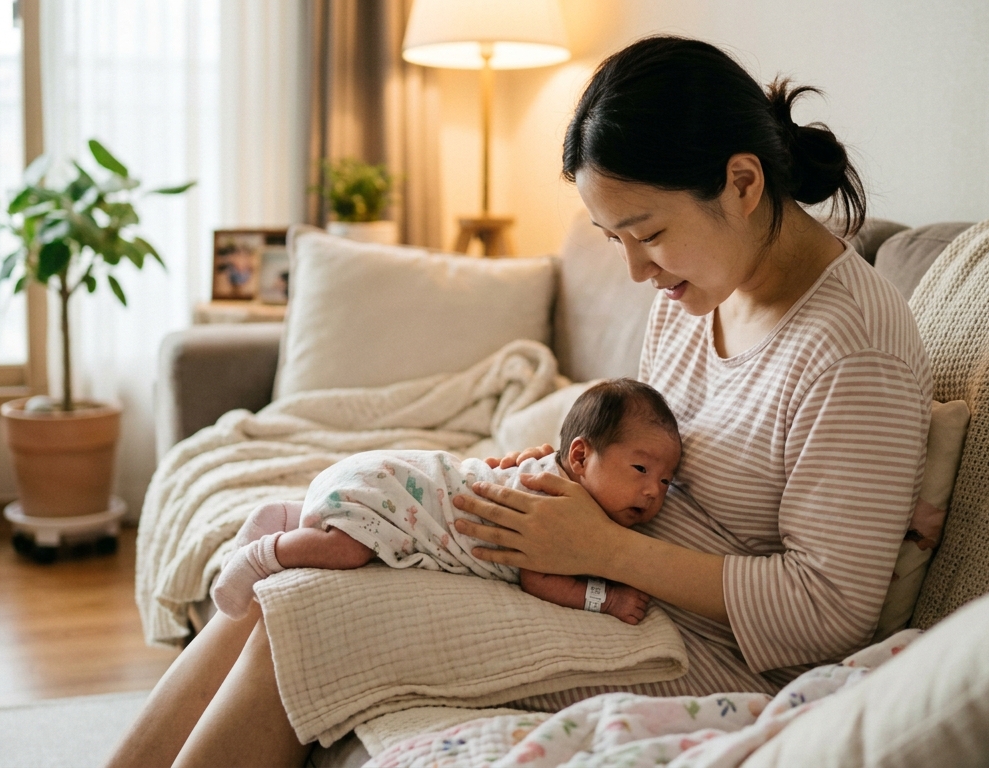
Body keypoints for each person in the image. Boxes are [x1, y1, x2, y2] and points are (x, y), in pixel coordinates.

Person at [107, 35, 929, 768]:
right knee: (303, 571)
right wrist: (553, 483)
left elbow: (829, 615)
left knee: (311, 613)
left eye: (647, 233)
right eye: (618, 243)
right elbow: (628, 446)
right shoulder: (697, 294)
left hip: (693, 642)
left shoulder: (853, 348)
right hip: (589, 578)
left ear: (742, 182)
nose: (639, 272)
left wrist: (608, 553)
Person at [210, 379, 680, 626]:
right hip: (394, 492)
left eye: (666, 480)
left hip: (394, 479)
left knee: (343, 522)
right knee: (350, 549)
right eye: (640, 470)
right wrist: (606, 599)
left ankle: (285, 516)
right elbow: (540, 578)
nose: (653, 491)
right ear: (579, 455)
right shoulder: (557, 506)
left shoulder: (554, 476)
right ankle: (262, 554)